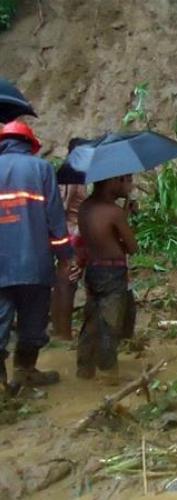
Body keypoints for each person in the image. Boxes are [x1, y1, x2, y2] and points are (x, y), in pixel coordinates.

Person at [0, 120, 77, 391]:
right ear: (30, 145)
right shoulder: (41, 168)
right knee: (33, 321)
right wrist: (65, 256)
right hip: (34, 262)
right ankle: (25, 372)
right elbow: (55, 218)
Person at [76, 174, 137, 384]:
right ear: (113, 182)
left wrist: (123, 215)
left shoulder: (85, 207)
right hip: (112, 273)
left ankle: (84, 368)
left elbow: (99, 236)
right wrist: (124, 218)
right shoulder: (114, 212)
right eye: (127, 180)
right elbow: (132, 247)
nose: (130, 185)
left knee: (91, 319)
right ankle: (108, 372)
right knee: (110, 323)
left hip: (93, 270)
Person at [50, 139, 89, 340]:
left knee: (65, 282)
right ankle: (62, 333)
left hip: (74, 232)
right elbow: (62, 206)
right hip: (73, 233)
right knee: (67, 282)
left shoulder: (72, 173)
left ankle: (60, 332)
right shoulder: (72, 174)